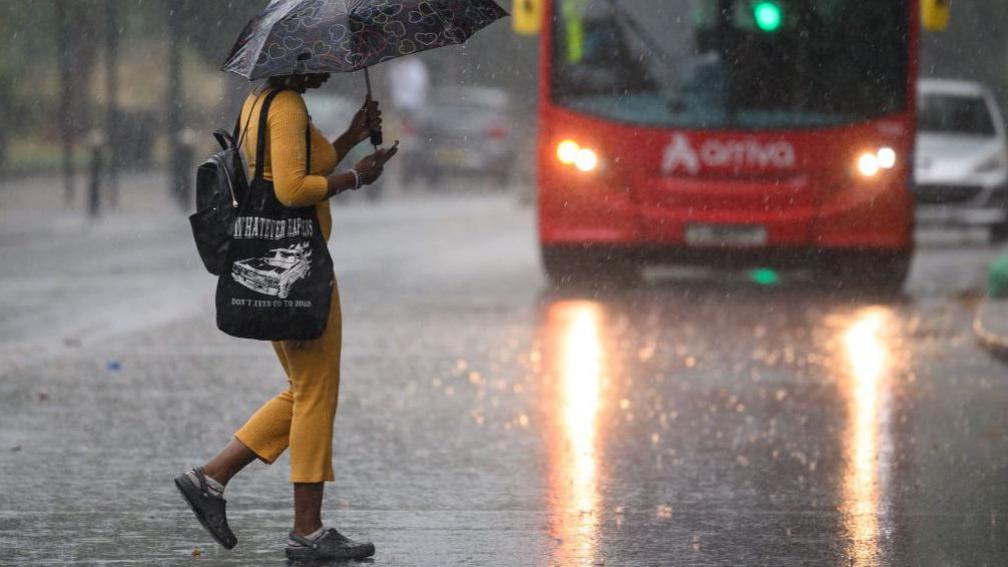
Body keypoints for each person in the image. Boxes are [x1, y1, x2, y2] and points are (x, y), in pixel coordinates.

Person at [174, 72, 397, 562]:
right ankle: (307, 530)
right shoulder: (289, 105)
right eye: (319, 60)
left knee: (303, 390)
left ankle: (210, 479)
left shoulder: (260, 101)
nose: (327, 70)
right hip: (296, 269)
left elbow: (289, 168)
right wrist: (357, 177)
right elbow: (295, 190)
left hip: (273, 266)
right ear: (298, 56)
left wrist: (350, 138)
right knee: (316, 394)